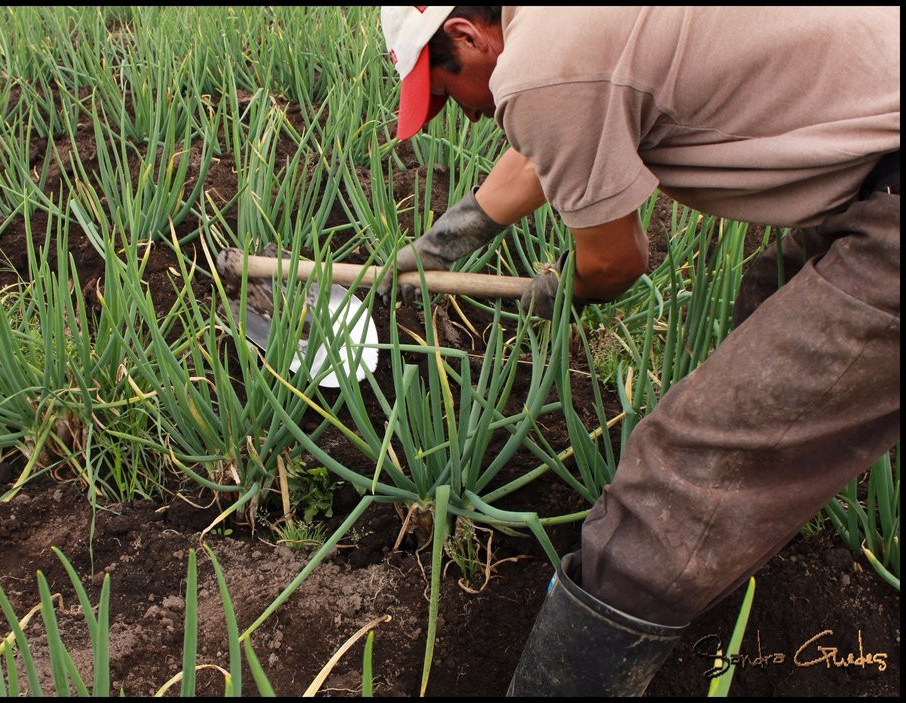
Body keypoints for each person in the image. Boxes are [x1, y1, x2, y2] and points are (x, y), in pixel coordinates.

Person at [379, 6, 900, 696]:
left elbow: (616, 262)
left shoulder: (541, 70)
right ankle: (735, 549)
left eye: (447, 92)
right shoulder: (565, 25)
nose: (463, 115)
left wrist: (562, 290)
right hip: (876, 164)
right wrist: (453, 235)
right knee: (766, 295)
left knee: (684, 468)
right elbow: (560, 129)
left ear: (468, 36)